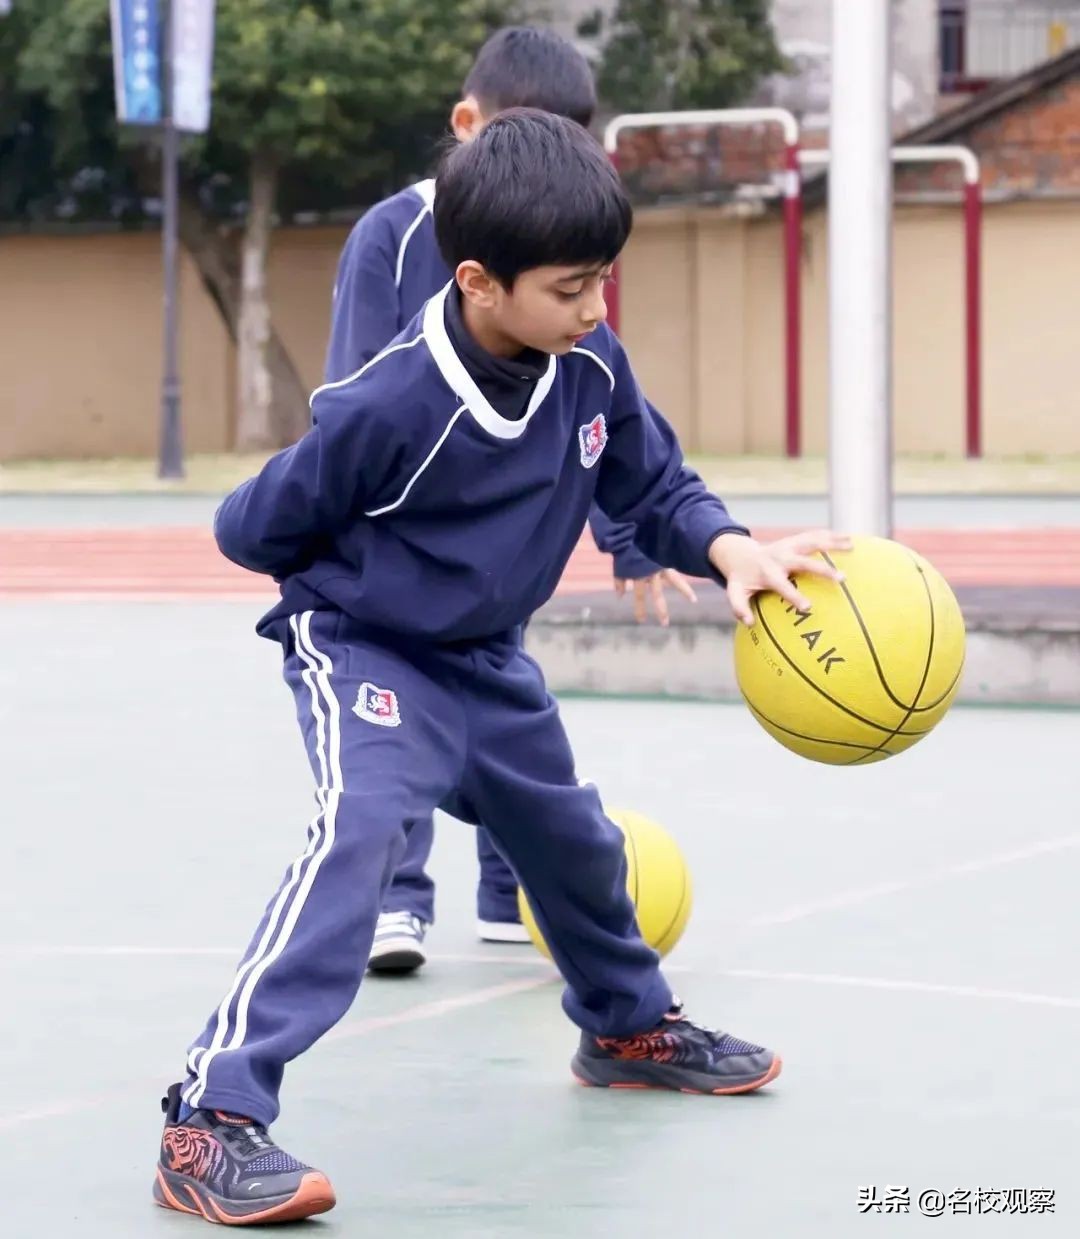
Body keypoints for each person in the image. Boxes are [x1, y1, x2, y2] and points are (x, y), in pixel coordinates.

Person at [154, 110, 848, 1226]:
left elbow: (652, 485)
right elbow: (249, 526)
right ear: (478, 282)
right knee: (360, 836)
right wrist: (360, 594)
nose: (596, 307)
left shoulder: (589, 365)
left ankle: (626, 1029)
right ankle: (210, 1115)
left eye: (603, 280)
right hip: (373, 651)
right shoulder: (392, 402)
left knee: (574, 842)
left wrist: (732, 549)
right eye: (571, 289)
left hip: (488, 660)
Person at [327, 25, 695, 973]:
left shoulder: (562, 256)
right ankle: (396, 899)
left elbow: (590, 412)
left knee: (503, 707)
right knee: (396, 723)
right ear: (465, 124)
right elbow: (355, 395)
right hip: (407, 540)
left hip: (507, 535)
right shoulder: (391, 237)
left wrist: (631, 536)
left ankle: (511, 891)